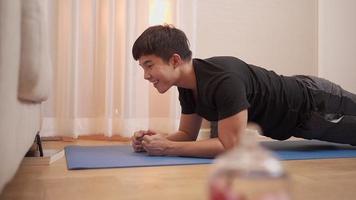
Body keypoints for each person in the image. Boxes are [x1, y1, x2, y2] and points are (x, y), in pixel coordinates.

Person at [131, 24, 356, 158]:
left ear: (174, 60)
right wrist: (155, 141)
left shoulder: (223, 79)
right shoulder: (187, 86)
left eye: (149, 65)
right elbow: (187, 135)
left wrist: (168, 148)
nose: (146, 75)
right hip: (300, 120)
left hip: (314, 103)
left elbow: (231, 146)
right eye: (143, 68)